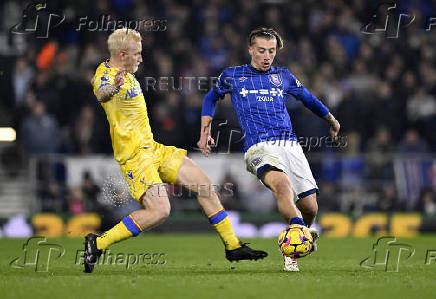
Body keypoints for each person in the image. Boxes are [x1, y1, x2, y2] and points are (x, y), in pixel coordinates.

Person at [84, 28, 267, 273]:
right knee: (160, 211)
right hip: (135, 157)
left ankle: (233, 247)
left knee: (204, 185)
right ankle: (97, 243)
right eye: (137, 54)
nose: (141, 58)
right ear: (122, 53)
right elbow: (100, 92)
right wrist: (113, 89)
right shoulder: (105, 74)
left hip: (153, 148)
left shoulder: (129, 75)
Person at [198, 27, 341, 272]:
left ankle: (303, 232)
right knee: (282, 187)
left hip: (290, 145)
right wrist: (205, 132)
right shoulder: (233, 75)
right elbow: (211, 98)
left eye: (272, 51)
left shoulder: (283, 76)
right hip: (259, 146)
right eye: (262, 50)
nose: (267, 56)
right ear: (251, 49)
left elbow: (308, 99)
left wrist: (331, 120)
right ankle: (293, 246)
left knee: (310, 206)